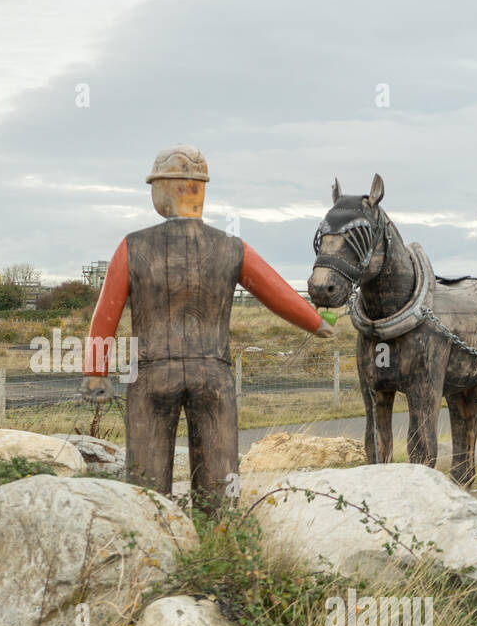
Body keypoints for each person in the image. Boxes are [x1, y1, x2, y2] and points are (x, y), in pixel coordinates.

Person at [81, 144, 335, 506]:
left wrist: (95, 371)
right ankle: (220, 543)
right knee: (219, 483)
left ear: (166, 187)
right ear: (199, 189)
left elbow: (107, 311)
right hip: (212, 375)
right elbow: (274, 291)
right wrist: (317, 322)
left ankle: (153, 542)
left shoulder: (132, 246)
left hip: (152, 375)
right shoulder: (232, 247)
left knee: (146, 490)